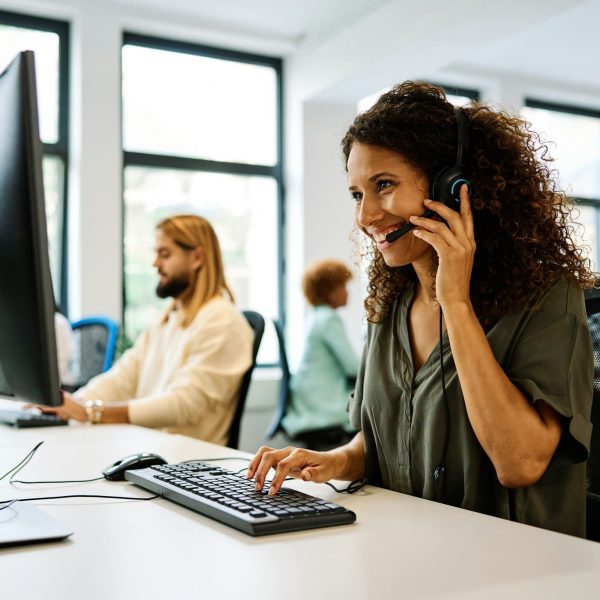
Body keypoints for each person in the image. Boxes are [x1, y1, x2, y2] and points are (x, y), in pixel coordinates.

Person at [248, 82, 594, 538]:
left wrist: (455, 302)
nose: (365, 215)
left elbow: (521, 463)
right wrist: (333, 461)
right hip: (408, 549)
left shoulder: (546, 297)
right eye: (357, 194)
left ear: (453, 188)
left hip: (515, 567)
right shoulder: (391, 302)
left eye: (384, 185)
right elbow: (387, 443)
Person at [40, 214, 253, 445]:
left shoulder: (222, 321)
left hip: (187, 461)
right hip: (151, 448)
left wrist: (92, 412)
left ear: (197, 258)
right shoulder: (166, 320)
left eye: (165, 254)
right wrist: (66, 406)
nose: (155, 264)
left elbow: (184, 404)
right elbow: (122, 379)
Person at [282, 259, 359, 449]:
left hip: (306, 402)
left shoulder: (315, 316)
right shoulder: (328, 319)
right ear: (329, 291)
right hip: (324, 406)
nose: (347, 291)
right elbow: (354, 368)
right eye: (342, 286)